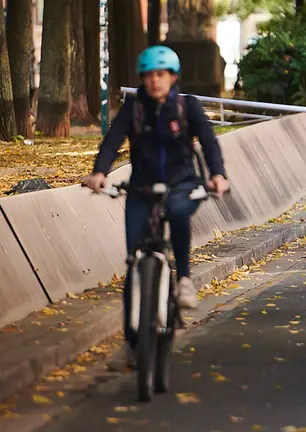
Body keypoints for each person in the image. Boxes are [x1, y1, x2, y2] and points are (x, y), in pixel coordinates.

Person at [83, 45, 230, 318]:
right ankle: (134, 331)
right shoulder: (134, 108)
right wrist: (99, 173)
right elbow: (112, 142)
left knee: (177, 212)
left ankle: (184, 279)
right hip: (142, 187)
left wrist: (218, 175)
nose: (154, 80)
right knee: (134, 257)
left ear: (173, 77)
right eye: (149, 75)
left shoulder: (187, 107)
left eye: (161, 74)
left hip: (182, 184)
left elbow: (209, 142)